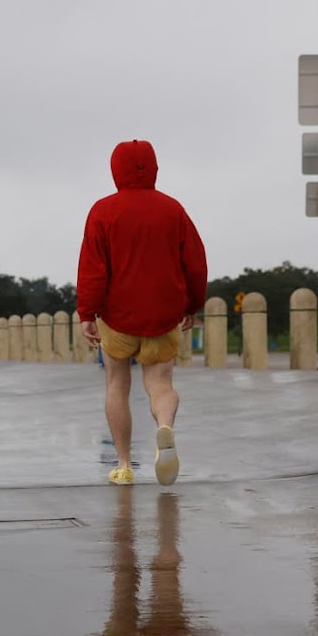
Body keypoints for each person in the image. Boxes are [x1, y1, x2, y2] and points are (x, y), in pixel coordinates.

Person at [77, 139, 207, 486]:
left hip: (117, 318)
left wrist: (87, 313)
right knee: (161, 383)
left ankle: (123, 464)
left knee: (117, 384)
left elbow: (93, 268)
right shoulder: (173, 209)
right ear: (154, 168)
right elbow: (194, 262)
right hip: (164, 314)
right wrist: (194, 304)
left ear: (115, 170)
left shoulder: (102, 211)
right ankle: (164, 428)